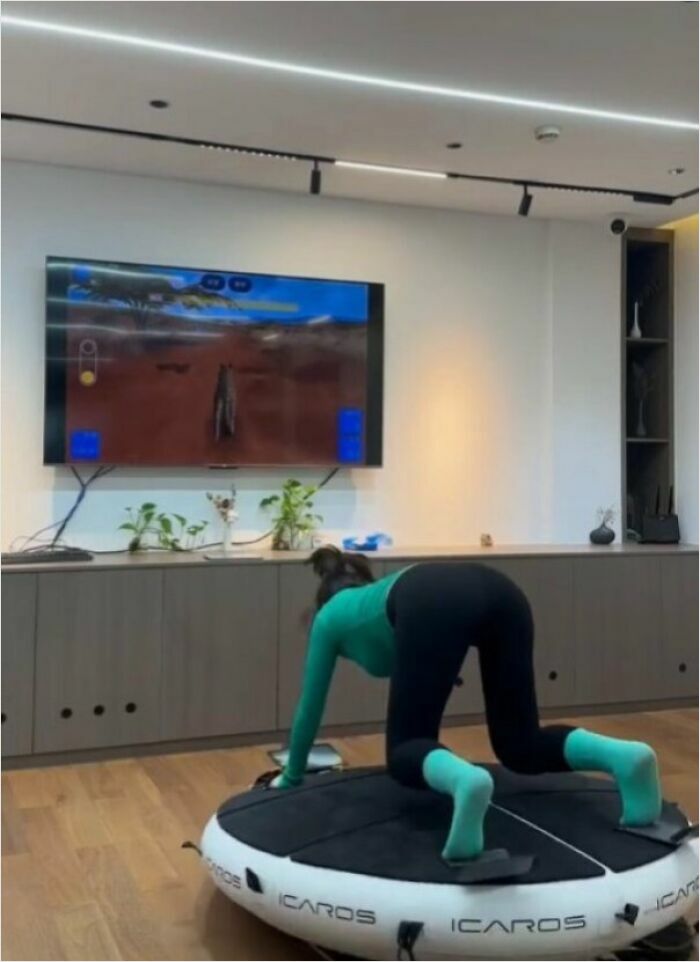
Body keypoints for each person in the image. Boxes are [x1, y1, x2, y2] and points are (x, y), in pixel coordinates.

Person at [274, 546, 662, 862]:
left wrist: (291, 776)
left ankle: (467, 783)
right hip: (501, 592)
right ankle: (624, 758)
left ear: (324, 598)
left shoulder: (327, 618)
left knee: (405, 749)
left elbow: (310, 706)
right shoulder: (377, 596)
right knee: (519, 743)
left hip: (437, 602)